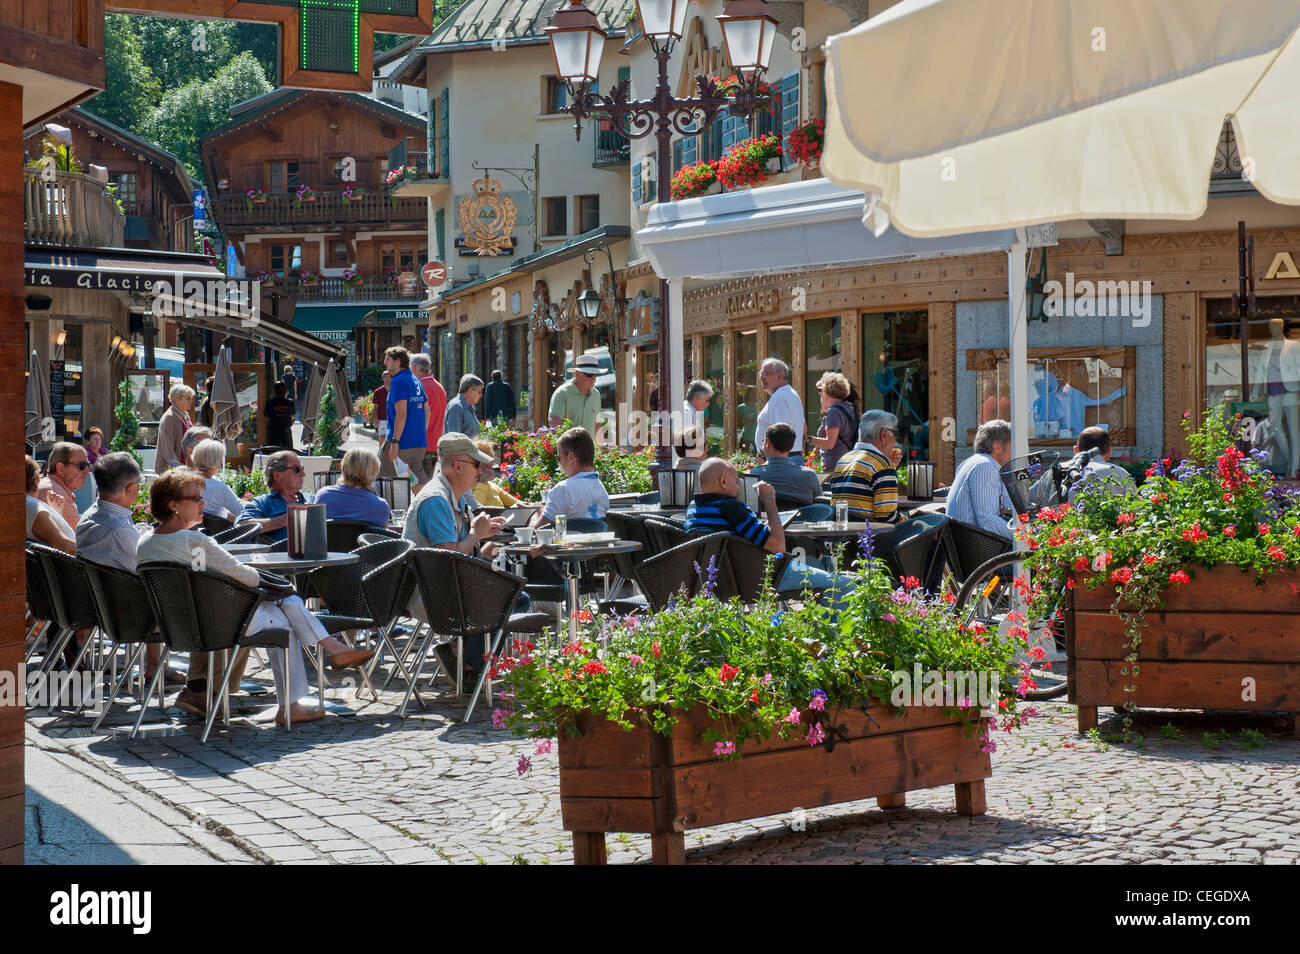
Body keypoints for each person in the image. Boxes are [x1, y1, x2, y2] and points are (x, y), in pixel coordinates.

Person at [139, 468, 373, 724]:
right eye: (196, 498)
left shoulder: (146, 542)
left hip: (178, 626)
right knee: (286, 617)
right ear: (173, 504)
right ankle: (299, 695)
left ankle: (331, 653)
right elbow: (248, 578)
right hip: (218, 625)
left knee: (284, 606)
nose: (203, 504)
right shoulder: (194, 542)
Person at [403, 433, 510, 676]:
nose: (480, 471)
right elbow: (447, 557)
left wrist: (482, 533)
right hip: (433, 594)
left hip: (446, 586)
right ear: (457, 466)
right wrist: (475, 535)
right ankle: (466, 662)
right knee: (508, 596)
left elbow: (457, 552)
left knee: (512, 593)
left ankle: (463, 655)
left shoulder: (453, 496)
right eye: (476, 465)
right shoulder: (436, 500)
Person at [77, 452, 185, 686]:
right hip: (127, 613)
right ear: (131, 489)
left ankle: (156, 665)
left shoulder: (89, 515)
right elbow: (149, 570)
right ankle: (200, 682)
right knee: (187, 596)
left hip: (100, 603)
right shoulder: (118, 529)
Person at [685, 457, 856, 603]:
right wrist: (769, 501)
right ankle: (832, 638)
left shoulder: (693, 509)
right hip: (763, 577)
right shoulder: (730, 508)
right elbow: (779, 547)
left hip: (723, 582)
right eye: (736, 482)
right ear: (723, 481)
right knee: (844, 586)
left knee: (813, 564)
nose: (738, 488)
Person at [826, 409, 907, 524]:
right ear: (884, 434)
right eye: (895, 435)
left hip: (844, 533)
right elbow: (886, 516)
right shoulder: (883, 465)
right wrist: (908, 518)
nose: (895, 442)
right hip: (872, 536)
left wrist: (890, 467)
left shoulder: (844, 460)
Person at [945, 419, 1015, 540]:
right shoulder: (984, 466)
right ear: (997, 447)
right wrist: (1026, 537)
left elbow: (1009, 504)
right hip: (978, 550)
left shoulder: (974, 462)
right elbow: (987, 521)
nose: (1016, 450)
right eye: (1012, 445)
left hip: (972, 545)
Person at [530, 427, 609, 527]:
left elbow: (536, 531)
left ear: (570, 457)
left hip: (569, 542)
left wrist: (534, 514)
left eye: (559, 458)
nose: (559, 463)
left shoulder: (563, 489)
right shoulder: (602, 492)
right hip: (596, 542)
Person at [236, 450, 313, 543]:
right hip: (280, 555)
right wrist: (286, 520)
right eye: (297, 469)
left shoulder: (311, 499)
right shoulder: (263, 503)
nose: (303, 474)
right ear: (277, 475)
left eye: (302, 469)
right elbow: (240, 527)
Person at [382, 346, 430, 492]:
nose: (385, 362)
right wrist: (421, 431)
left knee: (387, 484)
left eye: (388, 359)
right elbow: (427, 409)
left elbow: (401, 414)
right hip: (418, 443)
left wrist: (395, 442)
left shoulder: (398, 382)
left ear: (398, 362)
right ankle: (429, 509)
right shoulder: (415, 380)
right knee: (417, 484)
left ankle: (392, 514)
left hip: (401, 444)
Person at [749, 423, 823, 505]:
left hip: (767, 518)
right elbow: (821, 501)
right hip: (802, 517)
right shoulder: (809, 475)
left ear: (768, 442)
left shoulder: (755, 475)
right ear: (792, 447)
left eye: (763, 441)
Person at [314, 448, 391, 527]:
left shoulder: (323, 496)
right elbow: (383, 537)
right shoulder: (380, 506)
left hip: (331, 539)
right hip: (363, 539)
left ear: (343, 467)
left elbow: (314, 529)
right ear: (372, 473)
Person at [1067, 426, 1139, 502]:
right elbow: (1135, 507)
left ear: (1076, 450)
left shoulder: (1059, 469)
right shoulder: (1120, 473)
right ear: (1109, 453)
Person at [808, 371, 860, 474]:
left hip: (835, 467)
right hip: (846, 464)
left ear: (826, 390)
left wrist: (807, 438)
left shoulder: (834, 412)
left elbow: (830, 443)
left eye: (820, 389)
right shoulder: (847, 407)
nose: (820, 393)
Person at [754, 358, 805, 464]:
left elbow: (779, 435)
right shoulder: (789, 394)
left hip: (782, 461)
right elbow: (804, 428)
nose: (761, 377)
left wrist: (763, 456)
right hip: (789, 458)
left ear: (779, 376)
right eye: (761, 373)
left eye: (766, 373)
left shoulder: (779, 397)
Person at [26, 455, 74, 554]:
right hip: (78, 567)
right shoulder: (32, 507)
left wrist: (56, 514)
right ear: (35, 480)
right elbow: (65, 547)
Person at [38, 442, 90, 529]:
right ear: (61, 468)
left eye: (88, 465)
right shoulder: (53, 491)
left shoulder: (54, 486)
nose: (87, 470)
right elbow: (81, 535)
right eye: (82, 465)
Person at [411, 353, 447, 479]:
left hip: (421, 445)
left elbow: (415, 420)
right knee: (425, 484)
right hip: (434, 444)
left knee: (418, 487)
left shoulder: (420, 388)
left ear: (414, 369)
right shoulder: (439, 387)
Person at [549, 352, 601, 436]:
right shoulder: (562, 393)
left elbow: (597, 425)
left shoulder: (596, 394)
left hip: (589, 449)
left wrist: (602, 448)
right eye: (589, 375)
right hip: (569, 449)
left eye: (595, 375)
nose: (593, 379)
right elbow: (554, 427)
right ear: (576, 373)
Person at [191, 439, 244, 521]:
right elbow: (243, 513)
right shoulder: (220, 487)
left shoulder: (187, 482)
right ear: (218, 463)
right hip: (219, 532)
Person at [470, 439, 524, 508]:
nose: (490, 469)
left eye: (491, 465)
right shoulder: (467, 488)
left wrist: (534, 506)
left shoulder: (492, 486)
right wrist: (483, 482)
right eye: (486, 465)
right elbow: (474, 509)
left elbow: (516, 503)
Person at [156, 383, 195, 470]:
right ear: (177, 400)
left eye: (191, 398)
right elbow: (167, 449)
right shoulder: (169, 418)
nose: (191, 401)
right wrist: (177, 469)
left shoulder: (185, 415)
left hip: (184, 468)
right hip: (171, 472)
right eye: (188, 398)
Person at [444, 374, 484, 440]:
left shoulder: (469, 407)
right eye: (479, 392)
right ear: (470, 391)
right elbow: (454, 440)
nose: (481, 395)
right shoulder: (456, 407)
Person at [263, 381, 296, 449]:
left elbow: (266, 419)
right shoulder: (290, 402)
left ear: (275, 390)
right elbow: (292, 418)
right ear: (285, 391)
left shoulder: (270, 403)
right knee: (287, 453)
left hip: (273, 432)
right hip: (286, 432)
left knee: (273, 452)